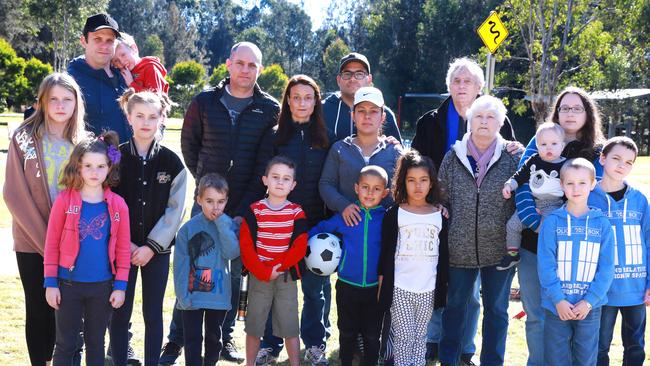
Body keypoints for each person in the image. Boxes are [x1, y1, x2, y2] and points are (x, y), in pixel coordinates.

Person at [163, 41, 279, 365]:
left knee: (231, 274)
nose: (245, 70)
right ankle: (177, 339)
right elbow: (190, 145)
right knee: (194, 269)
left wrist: (239, 208)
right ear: (228, 64)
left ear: (260, 69)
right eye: (240, 63)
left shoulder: (268, 108)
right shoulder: (204, 102)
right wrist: (206, 190)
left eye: (252, 65)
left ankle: (224, 337)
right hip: (207, 200)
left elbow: (264, 162)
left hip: (243, 204)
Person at [411, 57, 517, 364]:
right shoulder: (434, 127)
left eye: (467, 81)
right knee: (447, 291)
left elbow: (515, 183)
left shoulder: (506, 139)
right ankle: (441, 347)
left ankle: (474, 352)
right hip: (447, 227)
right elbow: (424, 169)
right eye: (456, 81)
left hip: (494, 241)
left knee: (487, 304)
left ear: (480, 87)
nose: (461, 86)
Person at [515, 86, 605, 366]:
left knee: (574, 319)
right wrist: (535, 221)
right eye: (564, 107)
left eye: (577, 108)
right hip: (535, 241)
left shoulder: (597, 151)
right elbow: (522, 185)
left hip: (580, 251)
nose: (569, 113)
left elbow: (598, 197)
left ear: (587, 114)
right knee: (538, 316)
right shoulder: (541, 140)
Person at [4, 72, 86, 366]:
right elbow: (14, 193)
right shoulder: (24, 138)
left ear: (77, 103)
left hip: (72, 242)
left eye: (68, 99)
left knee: (63, 309)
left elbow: (107, 168)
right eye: (54, 99)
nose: (61, 105)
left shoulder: (84, 141)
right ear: (42, 101)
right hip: (31, 240)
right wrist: (46, 242)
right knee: (38, 308)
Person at [255, 75, 332, 366]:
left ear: (316, 102)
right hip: (278, 226)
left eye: (308, 97)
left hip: (315, 227)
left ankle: (314, 345)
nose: (302, 103)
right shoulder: (274, 136)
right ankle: (270, 344)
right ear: (287, 100)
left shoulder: (326, 139)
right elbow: (259, 178)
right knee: (277, 289)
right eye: (296, 97)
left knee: (314, 291)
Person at [438, 95, 521, 366]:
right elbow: (441, 195)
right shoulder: (453, 156)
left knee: (497, 311)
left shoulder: (514, 157)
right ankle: (449, 360)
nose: (484, 122)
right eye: (478, 117)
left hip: (500, 250)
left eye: (491, 117)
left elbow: (523, 198)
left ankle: (492, 362)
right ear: (469, 121)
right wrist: (442, 207)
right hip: (459, 249)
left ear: (500, 123)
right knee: (455, 309)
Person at [108, 89, 187, 366]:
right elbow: (105, 200)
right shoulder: (113, 156)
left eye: (152, 117)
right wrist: (125, 243)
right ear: (129, 117)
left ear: (161, 119)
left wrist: (152, 246)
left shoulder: (171, 161)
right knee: (119, 310)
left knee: (153, 313)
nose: (145, 122)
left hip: (158, 252)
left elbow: (176, 210)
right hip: (121, 249)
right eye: (139, 116)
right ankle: (118, 360)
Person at [43, 131, 131, 365]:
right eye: (88, 165)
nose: (94, 172)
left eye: (101, 166)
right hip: (68, 284)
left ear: (109, 168)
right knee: (65, 344)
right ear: (78, 167)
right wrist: (51, 282)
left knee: (96, 343)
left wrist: (120, 286)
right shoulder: (64, 201)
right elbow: (51, 244)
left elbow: (123, 250)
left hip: (102, 287)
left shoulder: (118, 206)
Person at [537, 158, 615, 366]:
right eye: (570, 183)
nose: (576, 188)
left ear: (592, 184)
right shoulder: (552, 222)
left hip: (589, 307)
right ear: (562, 185)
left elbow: (607, 268)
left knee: (586, 359)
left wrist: (590, 300)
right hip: (557, 306)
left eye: (582, 183)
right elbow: (546, 265)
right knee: (556, 359)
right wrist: (558, 300)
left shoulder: (602, 224)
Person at [310, 165, 389, 366]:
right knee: (347, 332)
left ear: (385, 193)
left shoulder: (388, 219)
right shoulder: (347, 216)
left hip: (375, 289)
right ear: (356, 188)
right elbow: (320, 229)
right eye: (365, 187)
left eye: (376, 188)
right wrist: (301, 244)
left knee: (372, 335)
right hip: (346, 286)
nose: (370, 193)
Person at [378, 150, 449, 366]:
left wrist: (442, 287)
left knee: (420, 338)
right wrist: (383, 285)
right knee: (403, 337)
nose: (418, 186)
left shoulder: (439, 215)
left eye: (423, 180)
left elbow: (443, 255)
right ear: (403, 182)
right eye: (411, 180)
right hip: (401, 288)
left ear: (431, 183)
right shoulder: (395, 213)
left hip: (427, 289)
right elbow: (385, 253)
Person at [239, 156, 308, 366]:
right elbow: (246, 245)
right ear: (265, 180)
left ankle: (294, 363)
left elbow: (299, 246)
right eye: (275, 177)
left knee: (289, 326)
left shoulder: (297, 212)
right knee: (254, 326)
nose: (280, 182)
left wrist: (278, 266)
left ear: (293, 185)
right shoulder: (254, 210)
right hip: (259, 276)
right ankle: (250, 363)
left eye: (286, 179)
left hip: (285, 277)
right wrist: (263, 270)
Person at [588, 137, 650, 366]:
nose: (622, 165)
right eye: (616, 158)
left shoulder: (640, 200)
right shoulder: (588, 196)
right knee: (599, 346)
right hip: (601, 290)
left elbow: (649, 240)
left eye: (629, 162)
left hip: (635, 288)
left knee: (635, 346)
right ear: (602, 159)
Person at [173, 173, 240, 366]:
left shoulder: (228, 225)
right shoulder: (188, 229)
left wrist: (221, 224)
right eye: (209, 201)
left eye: (220, 201)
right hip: (192, 297)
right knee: (192, 341)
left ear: (226, 201)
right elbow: (180, 265)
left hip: (218, 297)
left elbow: (231, 253)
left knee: (214, 340)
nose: (215, 207)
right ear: (199, 199)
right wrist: (183, 296)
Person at [498, 122, 567, 271]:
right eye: (543, 144)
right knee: (512, 225)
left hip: (553, 204)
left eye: (554, 144)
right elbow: (520, 175)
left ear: (562, 146)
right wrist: (509, 185)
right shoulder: (533, 160)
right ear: (537, 145)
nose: (549, 148)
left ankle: (551, 258)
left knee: (548, 228)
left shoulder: (565, 165)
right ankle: (512, 253)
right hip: (533, 203)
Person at [67, 13, 131, 142]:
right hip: (92, 159)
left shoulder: (125, 75)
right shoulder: (71, 79)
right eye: (98, 39)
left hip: (129, 158)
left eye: (110, 40)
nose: (104, 46)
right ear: (83, 41)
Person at [322, 52, 401, 142]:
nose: (353, 79)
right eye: (347, 74)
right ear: (338, 80)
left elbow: (400, 154)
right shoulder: (321, 110)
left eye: (359, 74)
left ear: (369, 79)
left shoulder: (384, 113)